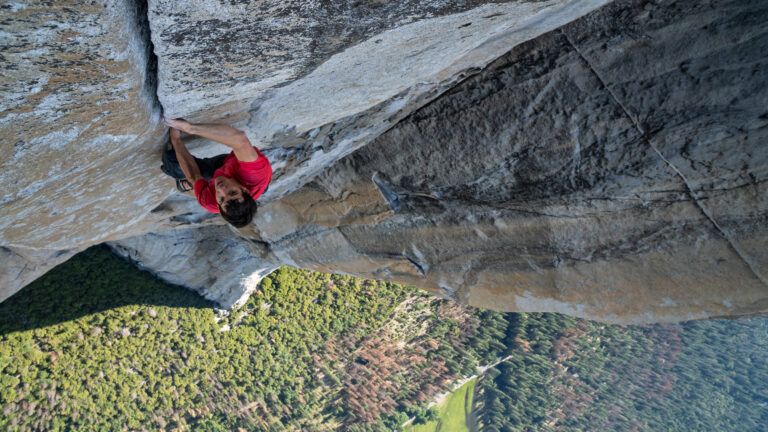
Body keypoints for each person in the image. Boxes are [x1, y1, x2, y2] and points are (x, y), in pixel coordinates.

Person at [160, 118, 272, 228]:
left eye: (221, 199)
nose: (222, 189)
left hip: (224, 174)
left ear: (218, 206)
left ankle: (188, 186)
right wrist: (190, 128)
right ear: (244, 189)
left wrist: (175, 139)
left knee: (173, 162)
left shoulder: (210, 202)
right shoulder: (254, 174)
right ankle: (192, 185)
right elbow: (240, 140)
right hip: (231, 166)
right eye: (232, 192)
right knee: (261, 183)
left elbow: (193, 176)